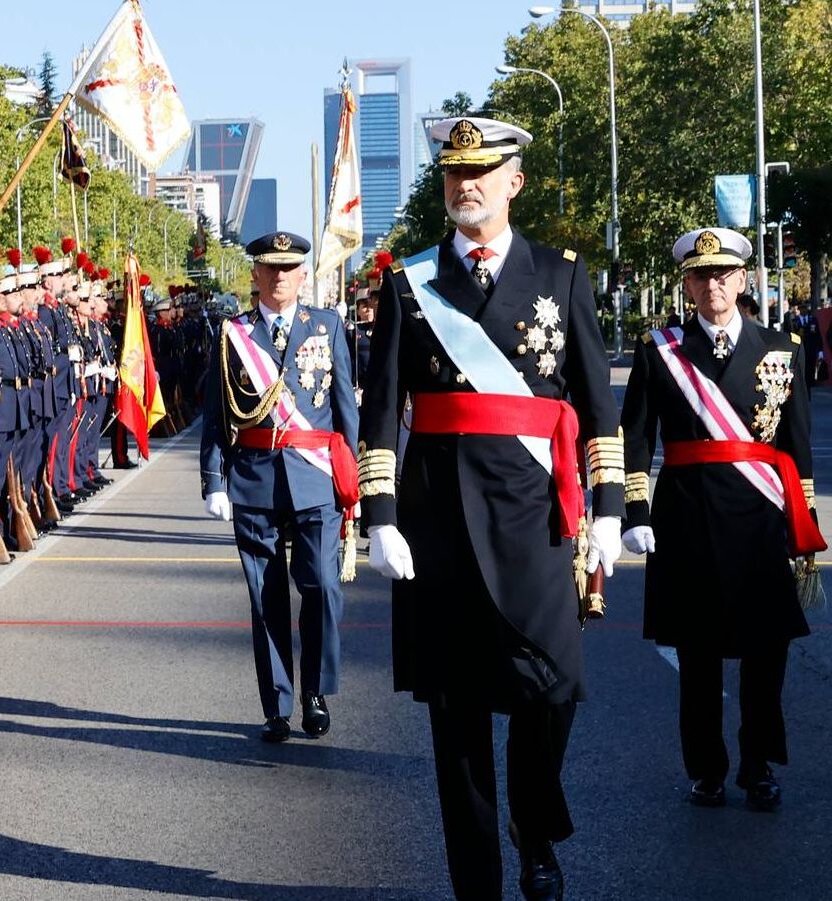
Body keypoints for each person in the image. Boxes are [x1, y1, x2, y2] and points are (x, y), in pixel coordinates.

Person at [358, 117, 624, 901]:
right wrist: (379, 513)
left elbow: (597, 403)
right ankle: (476, 879)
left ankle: (534, 826)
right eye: (451, 174)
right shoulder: (409, 280)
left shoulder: (560, 273)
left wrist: (607, 505)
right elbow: (381, 406)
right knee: (458, 716)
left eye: (480, 173)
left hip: (538, 517)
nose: (463, 185)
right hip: (440, 521)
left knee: (552, 688)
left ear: (514, 182)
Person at [620, 227, 824, 812]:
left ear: (742, 280)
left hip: (761, 519)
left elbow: (797, 445)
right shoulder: (660, 351)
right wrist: (636, 508)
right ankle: (706, 768)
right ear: (686, 284)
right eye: (701, 275)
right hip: (688, 517)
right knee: (699, 656)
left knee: (767, 654)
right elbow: (636, 437)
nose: (713, 284)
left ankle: (758, 765)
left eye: (723, 274)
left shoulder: (783, 348)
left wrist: (801, 523)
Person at [200, 231, 358, 744]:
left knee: (322, 587)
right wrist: (213, 479)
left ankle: (315, 690)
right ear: (255, 274)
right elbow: (217, 412)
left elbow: (343, 408)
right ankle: (277, 705)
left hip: (315, 475)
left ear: (303, 275)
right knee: (265, 597)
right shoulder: (233, 335)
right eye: (270, 267)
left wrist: (353, 475)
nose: (279, 277)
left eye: (288, 269)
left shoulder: (327, 326)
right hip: (254, 476)